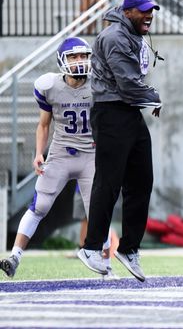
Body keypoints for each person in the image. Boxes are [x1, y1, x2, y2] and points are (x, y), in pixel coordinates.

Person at [0, 37, 116, 280]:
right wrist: (39, 153)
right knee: (40, 205)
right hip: (61, 152)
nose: (80, 61)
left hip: (90, 154)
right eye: (74, 57)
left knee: (98, 209)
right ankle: (15, 257)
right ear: (62, 60)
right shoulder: (49, 85)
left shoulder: (98, 84)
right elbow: (44, 125)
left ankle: (106, 266)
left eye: (83, 56)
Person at [77, 0, 162, 282]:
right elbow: (127, 83)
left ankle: (129, 248)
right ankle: (91, 247)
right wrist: (153, 96)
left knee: (142, 181)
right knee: (109, 181)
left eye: (151, 9)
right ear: (127, 13)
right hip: (112, 110)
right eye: (143, 10)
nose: (149, 14)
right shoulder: (114, 37)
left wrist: (146, 97)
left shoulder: (132, 33)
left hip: (128, 111)